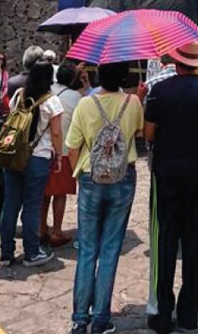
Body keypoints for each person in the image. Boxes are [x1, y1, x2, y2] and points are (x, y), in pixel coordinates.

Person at [143, 40, 198, 334]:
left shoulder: (158, 91)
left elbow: (148, 133)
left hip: (165, 172)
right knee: (195, 242)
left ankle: (161, 312)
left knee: (163, 241)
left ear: (176, 62)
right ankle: (190, 311)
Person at [65, 61, 144, 334]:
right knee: (110, 249)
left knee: (88, 249)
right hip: (123, 178)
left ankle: (79, 318)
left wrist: (80, 174)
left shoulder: (85, 104)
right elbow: (137, 133)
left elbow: (72, 146)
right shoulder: (133, 102)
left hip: (90, 177)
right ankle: (100, 319)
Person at [0, 62, 64, 267]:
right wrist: (60, 155)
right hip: (38, 157)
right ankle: (31, 252)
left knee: (10, 204)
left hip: (13, 155)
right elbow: (56, 132)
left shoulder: (19, 95)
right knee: (32, 206)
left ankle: (6, 253)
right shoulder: (52, 101)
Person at [0, 45, 44, 234]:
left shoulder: (13, 82)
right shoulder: (39, 85)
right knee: (29, 196)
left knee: (4, 184)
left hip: (12, 133)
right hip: (29, 137)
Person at [42, 62, 88, 248]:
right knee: (59, 194)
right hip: (65, 151)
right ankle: (57, 231)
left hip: (45, 149)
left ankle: (41, 228)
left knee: (44, 193)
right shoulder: (75, 97)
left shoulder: (48, 91)